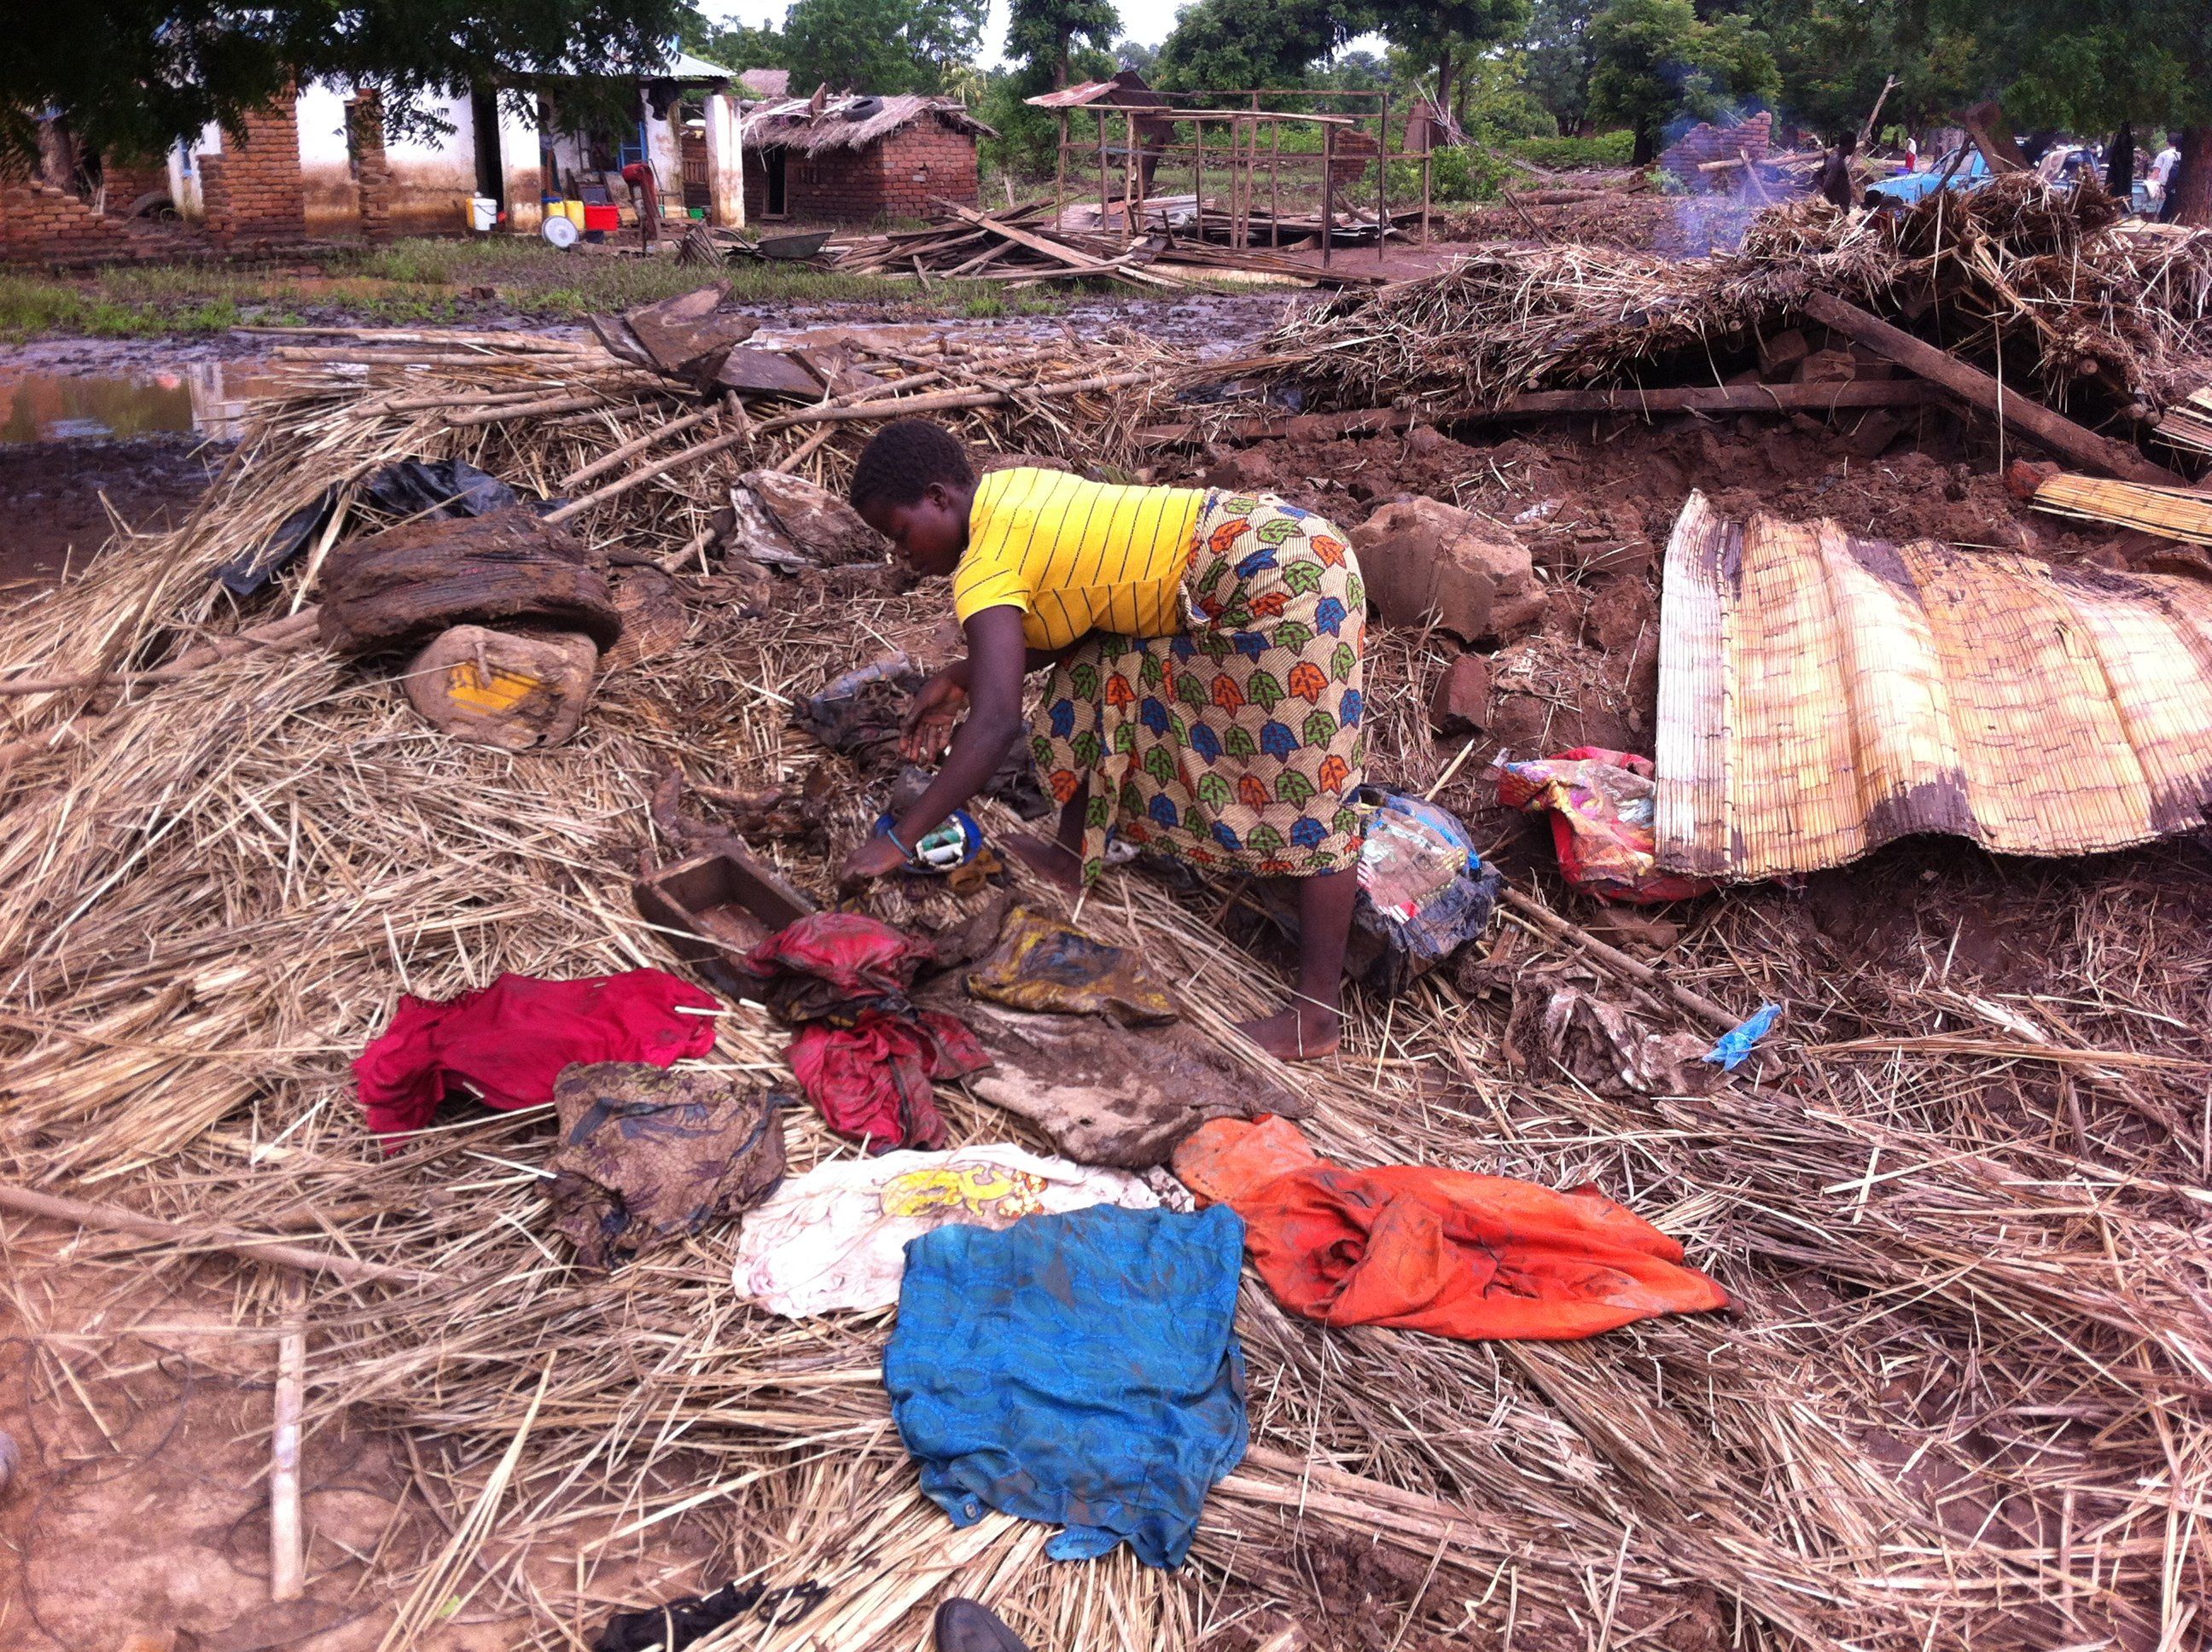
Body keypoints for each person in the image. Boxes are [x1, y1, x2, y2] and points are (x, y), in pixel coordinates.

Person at [841, 421, 1370, 1062]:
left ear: (938, 498)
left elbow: (997, 722)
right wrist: (960, 676)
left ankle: (1316, 1021)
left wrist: (901, 839)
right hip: (1275, 539)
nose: (902, 556)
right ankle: (1071, 855)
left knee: (1308, 784)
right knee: (1100, 669)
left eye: (901, 534)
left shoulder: (983, 566)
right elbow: (1080, 618)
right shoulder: (1011, 494)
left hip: (1277, 580)